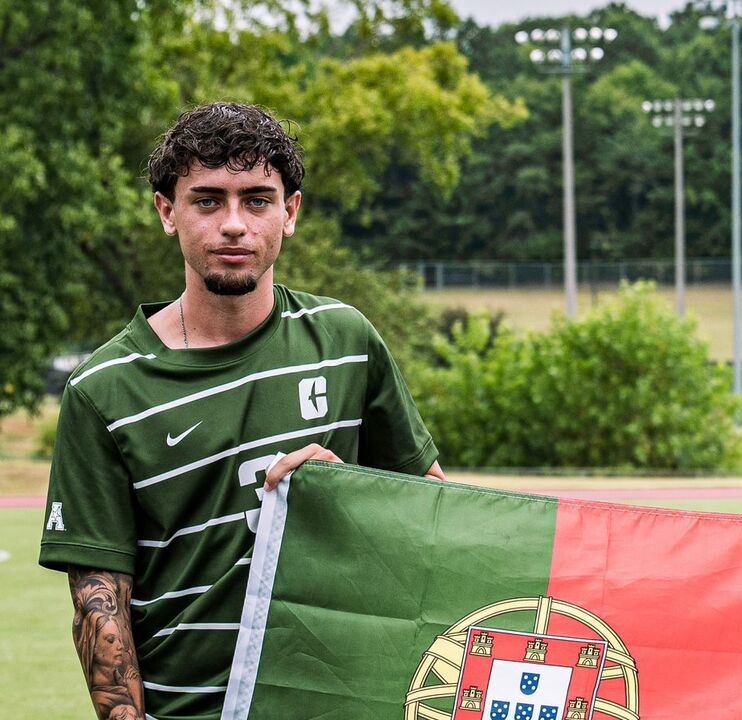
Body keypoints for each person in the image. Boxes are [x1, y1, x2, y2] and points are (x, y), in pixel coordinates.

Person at [39, 102, 445, 720]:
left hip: (341, 703)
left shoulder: (346, 340)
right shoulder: (104, 388)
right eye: (207, 200)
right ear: (166, 211)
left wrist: (347, 492)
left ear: (291, 213)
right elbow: (101, 603)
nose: (234, 224)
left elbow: (435, 518)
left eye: (257, 200)